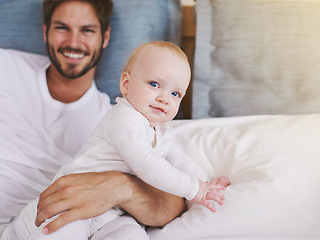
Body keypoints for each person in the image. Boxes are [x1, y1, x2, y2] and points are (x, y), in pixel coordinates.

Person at [0, 0, 186, 239]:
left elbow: (172, 204)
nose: (74, 42)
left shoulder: (121, 118)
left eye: (87, 30)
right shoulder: (6, 67)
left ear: (105, 37)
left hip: (55, 225)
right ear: (46, 32)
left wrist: (121, 186)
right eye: (62, 28)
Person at [22, 41, 230, 240]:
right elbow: (146, 164)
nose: (164, 98)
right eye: (154, 84)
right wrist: (194, 189)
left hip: (116, 212)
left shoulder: (164, 132)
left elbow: (182, 162)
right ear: (126, 84)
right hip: (75, 201)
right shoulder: (124, 118)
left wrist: (206, 183)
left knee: (131, 234)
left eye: (175, 93)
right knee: (59, 231)